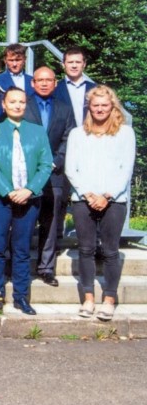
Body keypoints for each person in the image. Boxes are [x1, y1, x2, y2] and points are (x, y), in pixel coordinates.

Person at [65, 86, 135, 322]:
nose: (100, 109)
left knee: (110, 250)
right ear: (89, 107)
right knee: (86, 249)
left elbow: (126, 169)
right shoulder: (77, 134)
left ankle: (109, 299)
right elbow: (71, 168)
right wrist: (88, 194)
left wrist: (107, 195)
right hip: (83, 199)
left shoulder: (125, 133)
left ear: (112, 106)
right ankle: (88, 298)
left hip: (114, 201)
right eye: (96, 105)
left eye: (105, 105)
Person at [0, 88, 54, 315]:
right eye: (12, 102)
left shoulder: (37, 131)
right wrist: (7, 191)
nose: (17, 105)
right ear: (4, 105)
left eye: (21, 102)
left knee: (22, 249)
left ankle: (21, 296)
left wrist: (30, 189)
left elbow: (46, 164)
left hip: (29, 198)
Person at [24, 67, 77, 287]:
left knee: (51, 221)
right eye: (40, 80)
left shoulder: (65, 108)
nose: (44, 83)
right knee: (24, 221)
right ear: (33, 83)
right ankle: (20, 266)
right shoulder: (23, 105)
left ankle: (46, 268)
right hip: (26, 174)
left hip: (54, 174)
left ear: (55, 83)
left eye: (49, 80)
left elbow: (69, 137)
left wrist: (54, 162)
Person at [59, 46, 95, 119]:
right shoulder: (55, 89)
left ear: (84, 64)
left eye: (78, 62)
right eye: (70, 62)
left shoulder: (95, 89)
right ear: (63, 64)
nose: (74, 66)